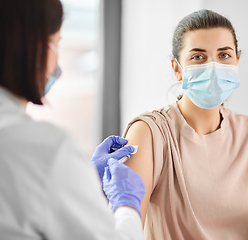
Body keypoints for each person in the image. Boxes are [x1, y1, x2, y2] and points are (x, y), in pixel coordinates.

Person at [123, 9, 248, 239]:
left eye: (224, 55)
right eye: (198, 57)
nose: (213, 66)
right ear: (177, 69)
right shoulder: (150, 132)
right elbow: (126, 229)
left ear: (237, 61)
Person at [0, 0, 145, 239]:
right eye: (56, 44)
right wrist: (127, 204)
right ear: (31, 45)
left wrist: (81, 175)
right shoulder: (45, 149)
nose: (57, 65)